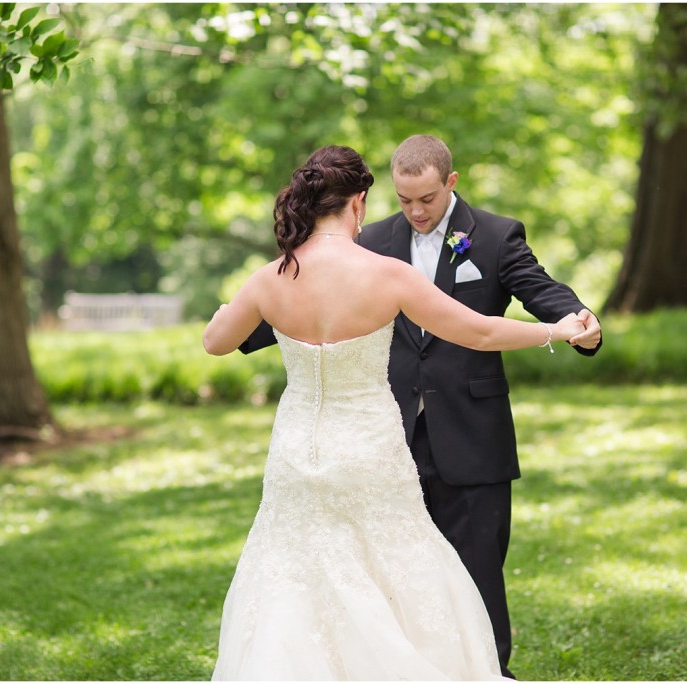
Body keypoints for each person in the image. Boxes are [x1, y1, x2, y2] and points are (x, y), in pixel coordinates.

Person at [204, 144, 586, 679]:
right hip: (370, 449)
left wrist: (228, 310)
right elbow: (477, 330)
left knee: (292, 581)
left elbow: (217, 342)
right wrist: (554, 330)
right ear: (358, 202)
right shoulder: (387, 273)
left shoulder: (270, 278)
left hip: (295, 455)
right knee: (400, 569)